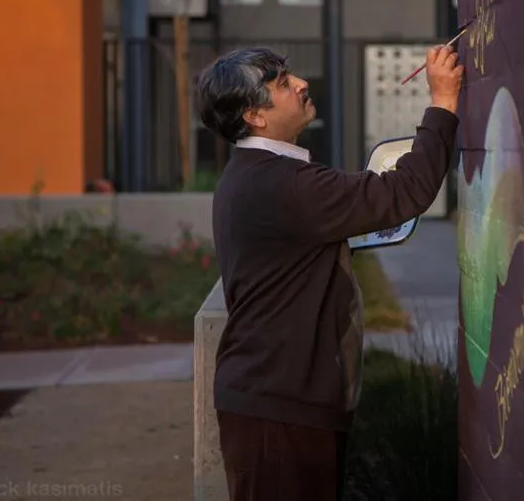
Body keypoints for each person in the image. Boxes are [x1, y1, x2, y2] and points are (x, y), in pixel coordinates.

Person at [195, 43, 464, 501]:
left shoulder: (258, 176)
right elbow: (405, 192)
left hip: (279, 399)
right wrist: (443, 103)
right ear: (253, 115)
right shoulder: (282, 184)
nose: (300, 84)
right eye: (282, 84)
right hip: (280, 407)